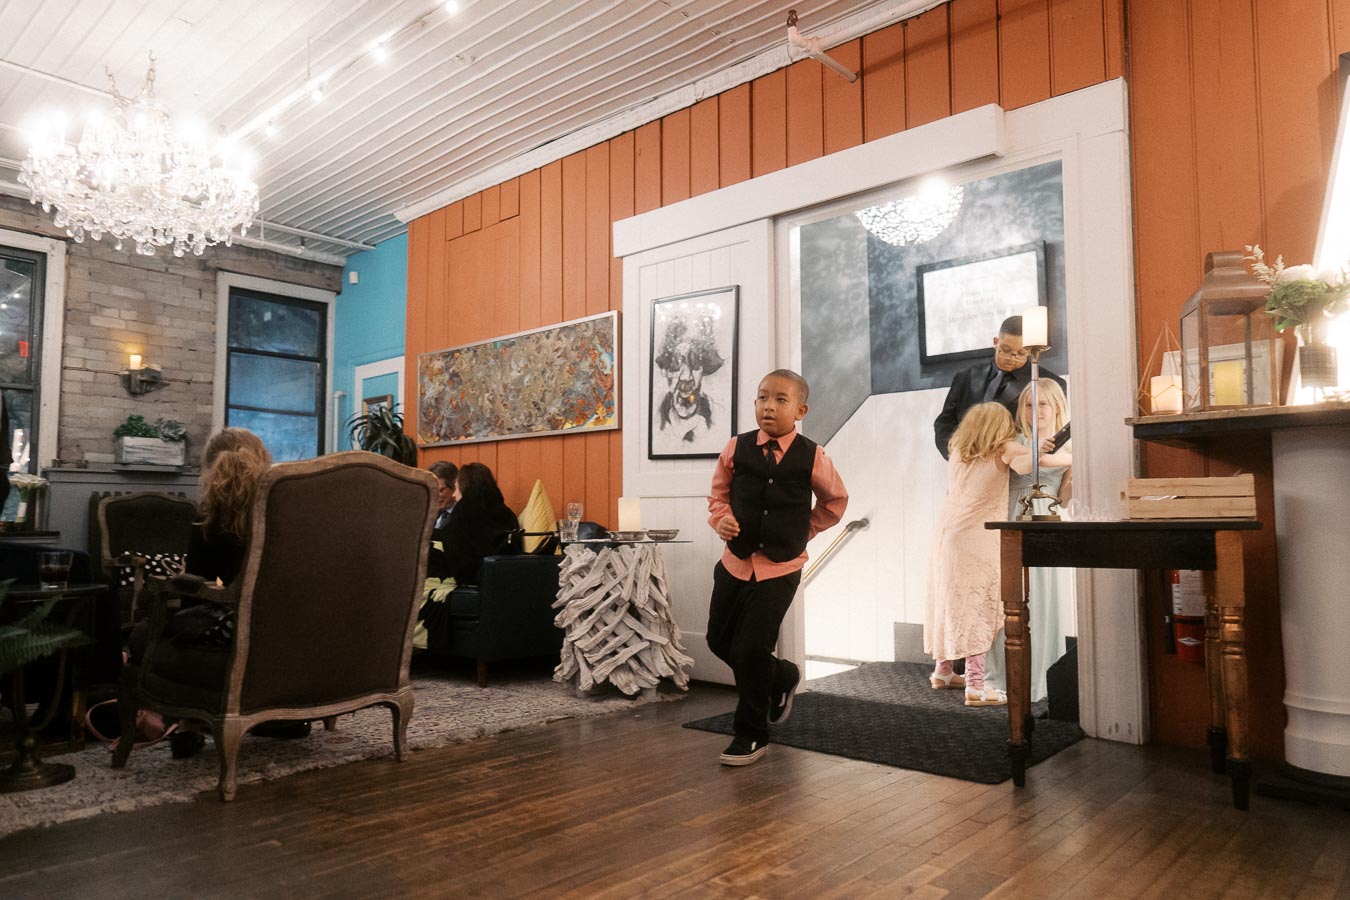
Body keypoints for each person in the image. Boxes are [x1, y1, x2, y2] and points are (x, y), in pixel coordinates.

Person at [705, 369, 848, 766]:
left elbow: (835, 502)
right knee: (720, 641)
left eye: (781, 400)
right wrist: (721, 520)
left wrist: (802, 530)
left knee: (750, 648)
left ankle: (751, 734)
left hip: (779, 568)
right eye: (763, 397)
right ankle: (781, 675)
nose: (769, 406)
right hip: (735, 562)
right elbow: (718, 497)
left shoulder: (813, 455)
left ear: (800, 410)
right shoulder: (736, 448)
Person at [925, 402, 1020, 707]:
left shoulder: (958, 452)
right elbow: (1031, 465)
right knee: (976, 608)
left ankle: (943, 671)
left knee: (948, 602)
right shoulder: (1004, 450)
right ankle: (976, 686)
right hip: (978, 537)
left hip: (946, 533)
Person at [985, 380, 1074, 702]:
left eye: (1043, 404)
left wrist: (1077, 473)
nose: (1035, 411)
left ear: (1057, 408)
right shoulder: (1013, 441)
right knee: (1008, 595)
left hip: (1048, 521)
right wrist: (1069, 458)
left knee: (1042, 598)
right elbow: (1026, 464)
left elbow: (1063, 500)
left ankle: (1040, 678)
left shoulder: (1069, 450)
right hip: (1015, 515)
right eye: (1028, 404)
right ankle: (1002, 677)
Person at [932, 315, 1066, 459]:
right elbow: (944, 422)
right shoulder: (966, 377)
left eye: (1020, 353)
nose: (1011, 358)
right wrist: (956, 455)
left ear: (1029, 351)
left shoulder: (1049, 382)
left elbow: (1054, 432)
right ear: (996, 342)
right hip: (965, 463)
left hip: (1017, 468)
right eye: (1005, 350)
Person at [429, 460, 459, 531]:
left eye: (441, 490)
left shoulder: (462, 515)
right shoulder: (430, 514)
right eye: (432, 490)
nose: (435, 495)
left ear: (454, 488)